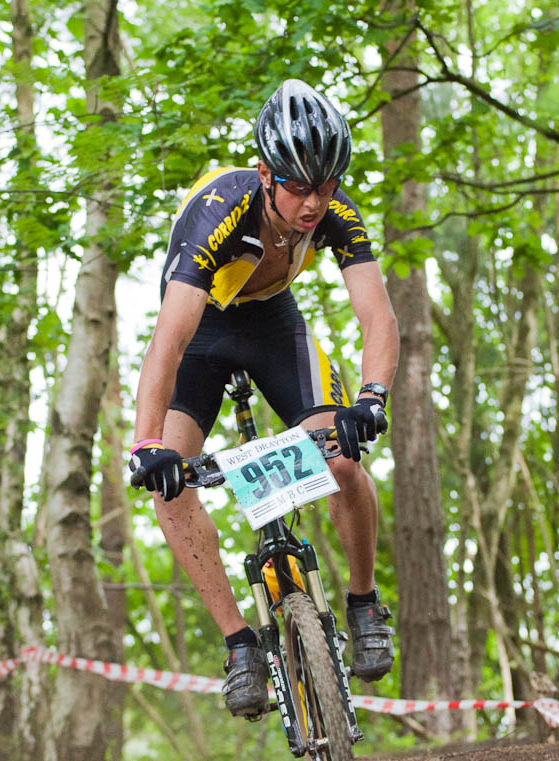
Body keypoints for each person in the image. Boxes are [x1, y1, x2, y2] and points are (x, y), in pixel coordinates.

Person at [130, 79, 399, 719]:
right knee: (170, 485)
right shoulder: (219, 212)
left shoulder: (336, 208)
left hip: (274, 326)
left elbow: (377, 316)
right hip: (202, 332)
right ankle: (240, 644)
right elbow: (168, 342)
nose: (313, 202)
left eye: (325, 185)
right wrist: (146, 445)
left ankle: (363, 602)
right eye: (298, 186)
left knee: (340, 458)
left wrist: (372, 399)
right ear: (264, 172)